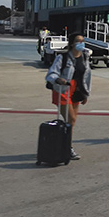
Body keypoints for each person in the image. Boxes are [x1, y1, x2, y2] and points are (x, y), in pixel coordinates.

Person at [45, 32, 91, 161]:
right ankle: (68, 147)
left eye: (82, 41)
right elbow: (52, 72)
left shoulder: (85, 57)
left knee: (72, 121)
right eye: (78, 41)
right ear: (72, 43)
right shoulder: (62, 57)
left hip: (77, 90)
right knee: (70, 118)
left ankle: (64, 144)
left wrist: (86, 93)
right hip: (63, 89)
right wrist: (57, 79)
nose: (81, 44)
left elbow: (87, 76)